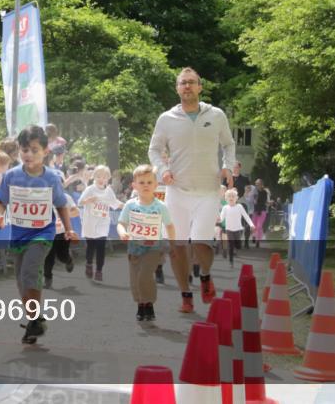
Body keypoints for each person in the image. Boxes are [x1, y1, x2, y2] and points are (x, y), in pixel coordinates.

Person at [148, 67, 236, 313]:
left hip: (208, 191)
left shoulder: (216, 115)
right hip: (177, 191)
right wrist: (162, 170)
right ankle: (186, 295)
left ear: (200, 87)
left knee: (200, 243)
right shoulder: (166, 119)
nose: (187, 86)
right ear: (177, 88)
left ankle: (205, 275)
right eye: (182, 83)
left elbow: (229, 144)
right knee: (177, 247)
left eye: (191, 82)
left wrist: (228, 167)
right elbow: (154, 149)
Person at [0, 125, 76, 344]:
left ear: (45, 152)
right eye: (24, 150)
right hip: (19, 235)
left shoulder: (52, 178)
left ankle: (35, 319)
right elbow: (0, 200)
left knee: (29, 272)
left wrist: (68, 229)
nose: (28, 154)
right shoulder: (11, 176)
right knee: (21, 280)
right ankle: (34, 320)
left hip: (42, 234)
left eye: (34, 150)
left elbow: (61, 204)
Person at [118, 164, 176, 322]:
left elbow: (170, 226)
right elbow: (121, 223)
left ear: (156, 185)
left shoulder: (160, 206)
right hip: (134, 248)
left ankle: (149, 303)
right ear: (134, 185)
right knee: (135, 279)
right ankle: (140, 304)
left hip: (153, 249)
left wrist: (172, 245)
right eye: (142, 182)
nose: (145, 185)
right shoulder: (130, 205)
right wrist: (122, 232)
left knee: (145, 275)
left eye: (149, 182)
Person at [78, 165, 123, 281]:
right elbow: (80, 202)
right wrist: (88, 200)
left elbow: (115, 203)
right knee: (91, 247)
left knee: (101, 247)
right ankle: (89, 264)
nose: (101, 179)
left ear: (107, 178)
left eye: (104, 177)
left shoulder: (108, 191)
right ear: (94, 177)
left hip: (102, 223)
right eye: (98, 176)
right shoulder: (90, 189)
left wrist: (127, 206)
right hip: (90, 223)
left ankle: (99, 271)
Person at [43, 194, 79, 289]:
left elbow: (76, 212)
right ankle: (48, 279)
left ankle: (69, 260)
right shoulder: (42, 195)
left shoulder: (66, 197)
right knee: (48, 257)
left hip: (63, 232)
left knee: (62, 256)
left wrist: (65, 214)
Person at [219, 188, 254, 267]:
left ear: (236, 198)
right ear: (226, 198)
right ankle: (231, 261)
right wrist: (217, 221)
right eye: (229, 196)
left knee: (238, 245)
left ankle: (237, 246)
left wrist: (251, 225)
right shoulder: (225, 208)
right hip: (229, 229)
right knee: (231, 245)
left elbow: (246, 216)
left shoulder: (239, 206)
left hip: (238, 229)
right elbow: (221, 218)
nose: (231, 198)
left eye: (233, 196)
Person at [252, 179, 270, 247]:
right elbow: (251, 200)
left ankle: (258, 240)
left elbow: (264, 202)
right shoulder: (254, 191)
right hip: (255, 210)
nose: (257, 185)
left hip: (262, 210)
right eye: (256, 184)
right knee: (254, 226)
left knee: (259, 226)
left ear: (262, 184)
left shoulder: (264, 192)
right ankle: (254, 235)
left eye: (258, 184)